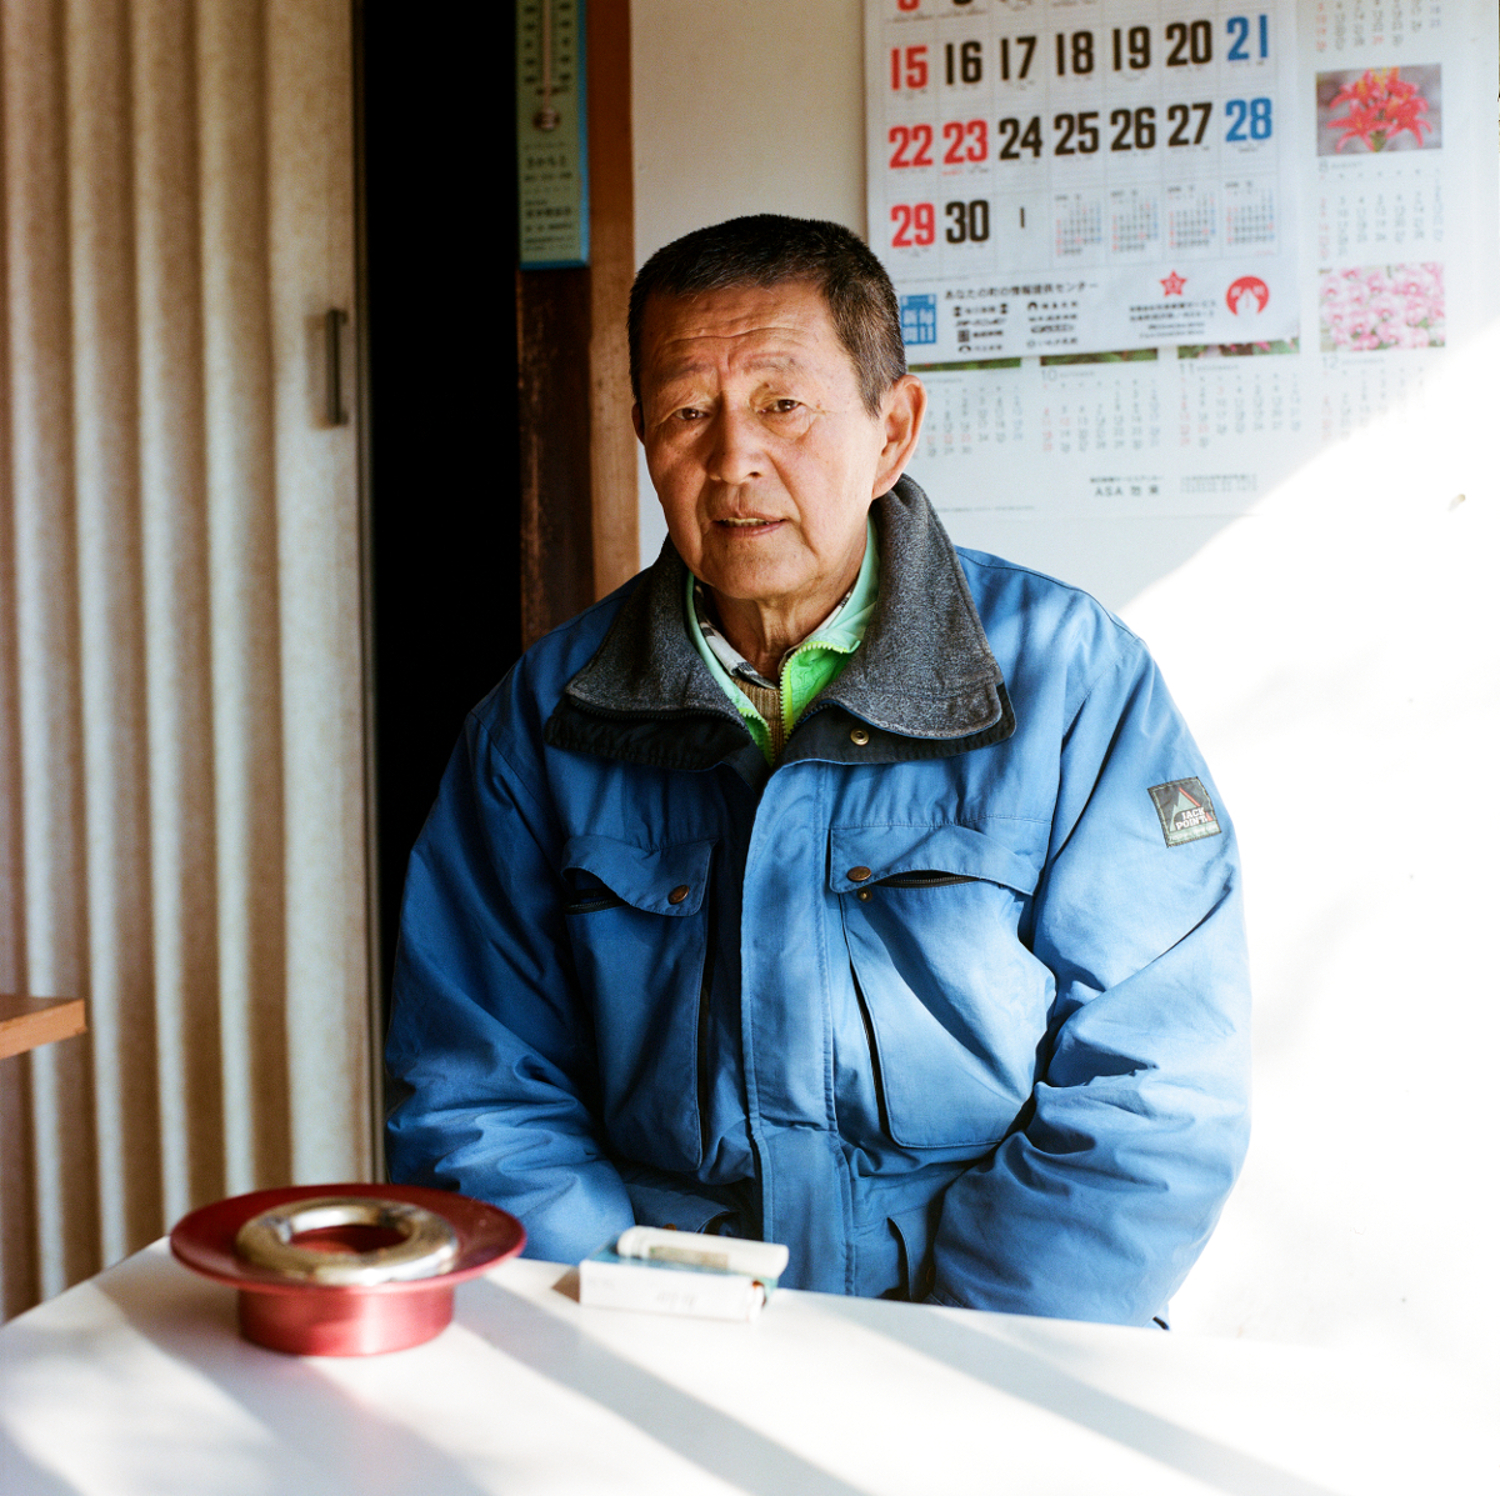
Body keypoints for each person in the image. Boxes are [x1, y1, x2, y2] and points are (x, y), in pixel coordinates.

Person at [385, 215, 1249, 1324]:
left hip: (996, 1327)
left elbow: (1158, 1078)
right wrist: (643, 1335)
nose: (733, 457)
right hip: (653, 1323)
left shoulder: (1071, 681)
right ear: (643, 434)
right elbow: (478, 1087)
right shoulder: (543, 722)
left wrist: (972, 1358)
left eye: (784, 406)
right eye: (687, 411)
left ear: (893, 429)